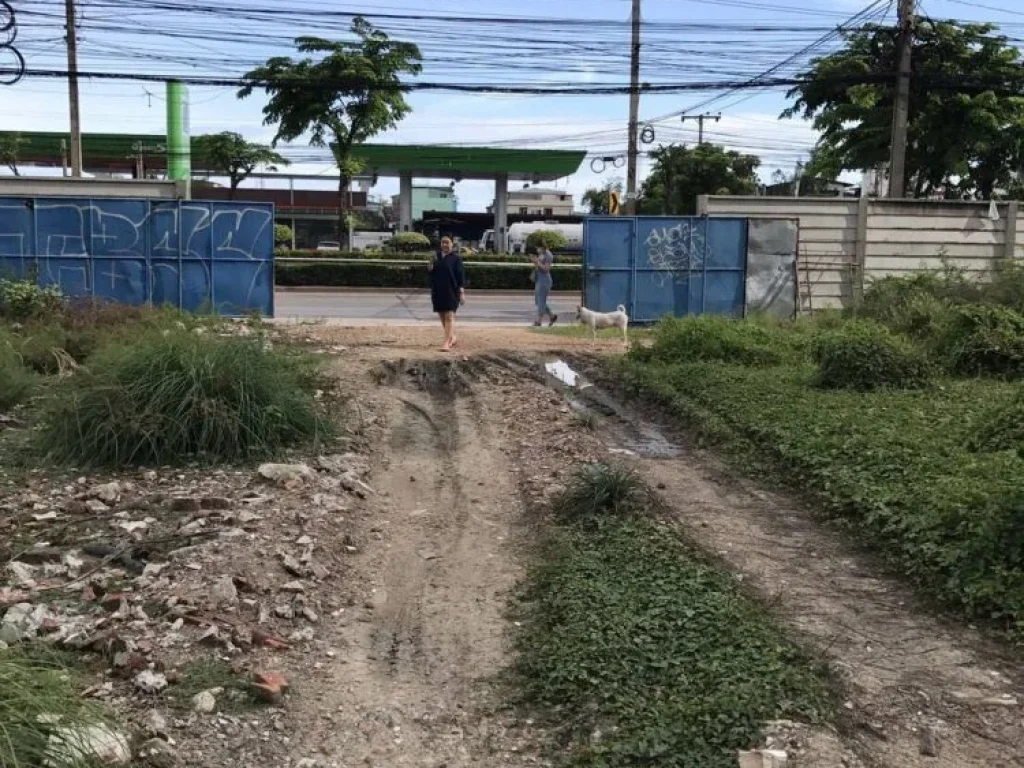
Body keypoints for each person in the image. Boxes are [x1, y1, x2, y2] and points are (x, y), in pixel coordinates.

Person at [429, 235, 465, 351]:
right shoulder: (436, 257)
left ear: (452, 244)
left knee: (449, 316)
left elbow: (460, 277)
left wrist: (461, 292)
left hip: (451, 291)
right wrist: (430, 266)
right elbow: (431, 273)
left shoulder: (456, 258)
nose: (444, 245)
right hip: (438, 290)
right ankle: (452, 336)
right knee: (442, 316)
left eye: (447, 242)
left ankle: (446, 342)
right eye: (442, 242)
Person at [531, 239, 558, 327]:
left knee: (541, 300)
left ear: (542, 247)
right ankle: (552, 316)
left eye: (538, 248)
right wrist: (535, 262)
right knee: (538, 301)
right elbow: (538, 266)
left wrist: (537, 262)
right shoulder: (541, 254)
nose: (537, 250)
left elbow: (546, 269)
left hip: (545, 280)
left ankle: (538, 321)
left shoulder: (548, 255)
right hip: (539, 279)